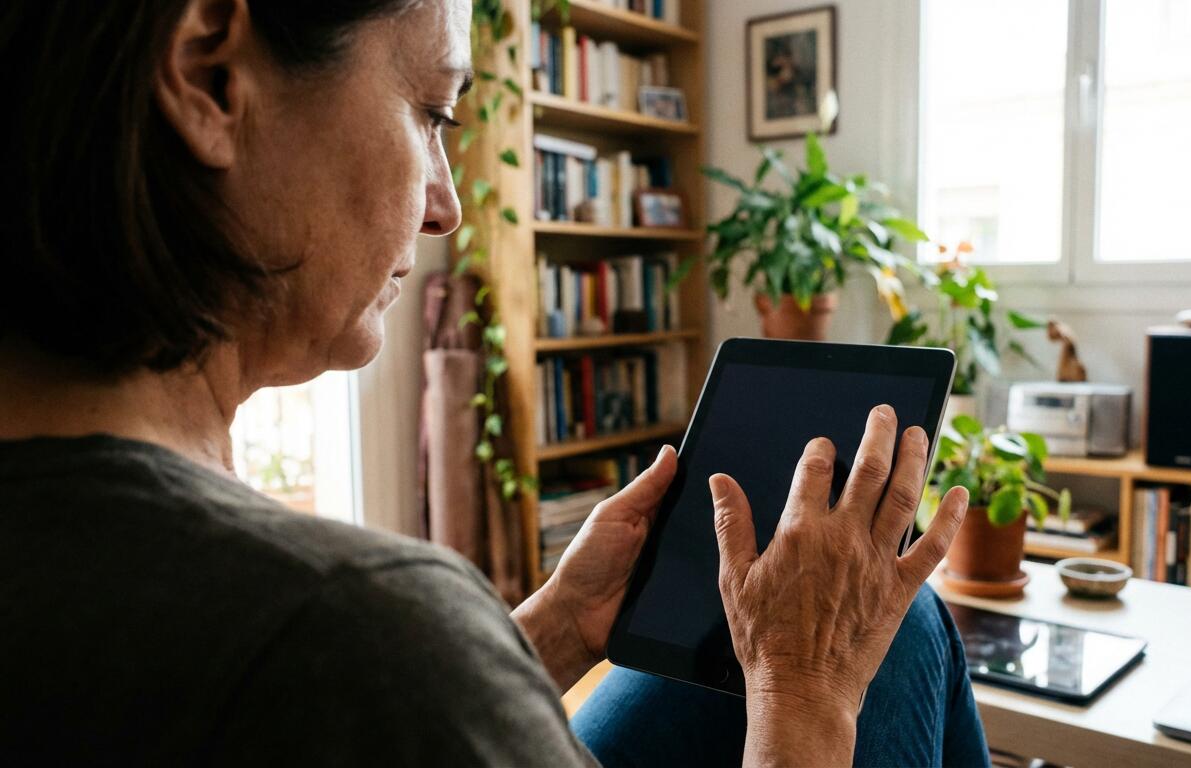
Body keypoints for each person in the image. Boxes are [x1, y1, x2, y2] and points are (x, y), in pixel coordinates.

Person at [0, 1, 987, 765]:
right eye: (430, 112)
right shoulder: (345, 630)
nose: (447, 208)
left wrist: (556, 625)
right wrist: (805, 700)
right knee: (895, 629)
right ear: (209, 75)